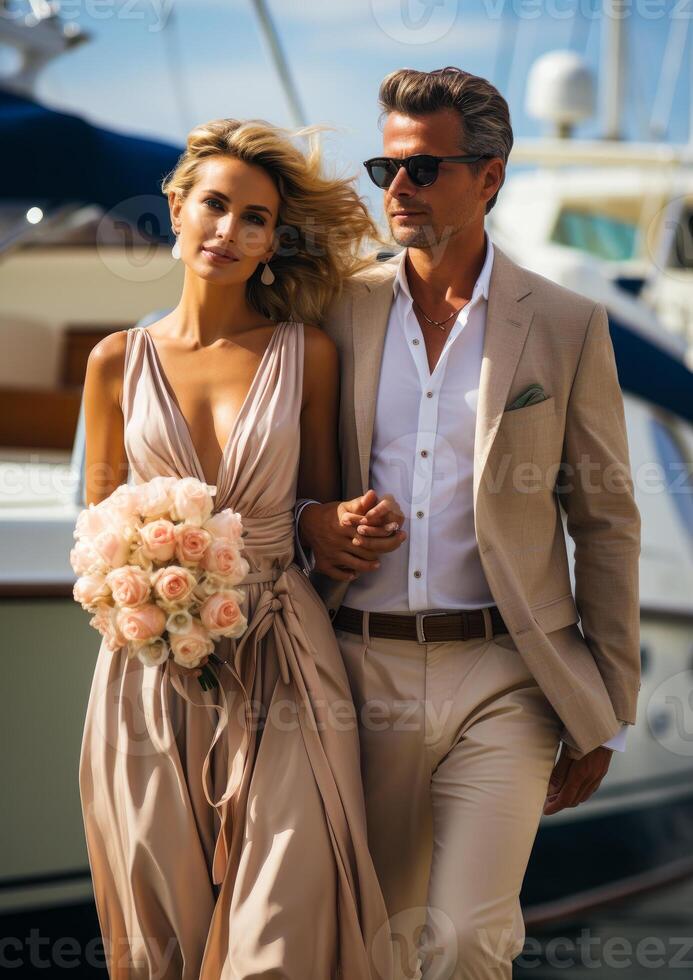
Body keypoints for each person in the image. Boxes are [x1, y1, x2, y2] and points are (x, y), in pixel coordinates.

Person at [296, 67, 642, 979]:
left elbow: (604, 519)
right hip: (350, 670)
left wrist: (602, 710)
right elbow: (282, 477)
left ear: (488, 177)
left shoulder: (566, 325)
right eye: (386, 170)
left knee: (467, 942)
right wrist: (311, 521)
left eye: (422, 170)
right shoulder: (335, 307)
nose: (397, 191)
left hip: (505, 677)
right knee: (361, 942)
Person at [78, 116, 401, 979]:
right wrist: (139, 592)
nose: (228, 231)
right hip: (148, 671)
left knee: (280, 921)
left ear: (271, 243)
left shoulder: (310, 354)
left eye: (253, 218)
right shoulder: (114, 361)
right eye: (213, 206)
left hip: (286, 658)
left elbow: (315, 514)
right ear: (175, 209)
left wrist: (337, 529)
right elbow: (97, 534)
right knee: (163, 935)